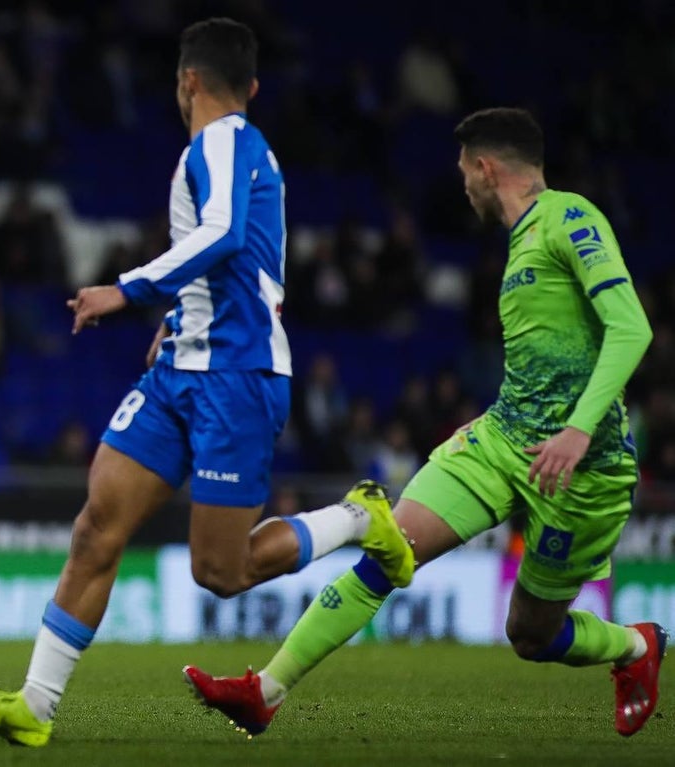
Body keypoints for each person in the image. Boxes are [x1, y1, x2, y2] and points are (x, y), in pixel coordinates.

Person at [0, 17, 414, 747]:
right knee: (98, 526)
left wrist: (125, 291)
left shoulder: (223, 141)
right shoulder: (235, 148)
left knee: (220, 571)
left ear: (187, 81)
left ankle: (358, 518)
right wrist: (178, 312)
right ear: (251, 85)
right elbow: (232, 255)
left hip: (236, 376)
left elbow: (223, 233)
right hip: (183, 367)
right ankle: (34, 706)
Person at [185, 107, 665, 739]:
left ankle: (636, 647)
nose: (461, 183)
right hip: (502, 441)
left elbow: (632, 328)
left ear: (486, 167)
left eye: (464, 169)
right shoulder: (519, 240)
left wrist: (578, 428)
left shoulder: (569, 217)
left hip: (583, 469)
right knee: (390, 547)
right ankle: (263, 693)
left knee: (529, 633)